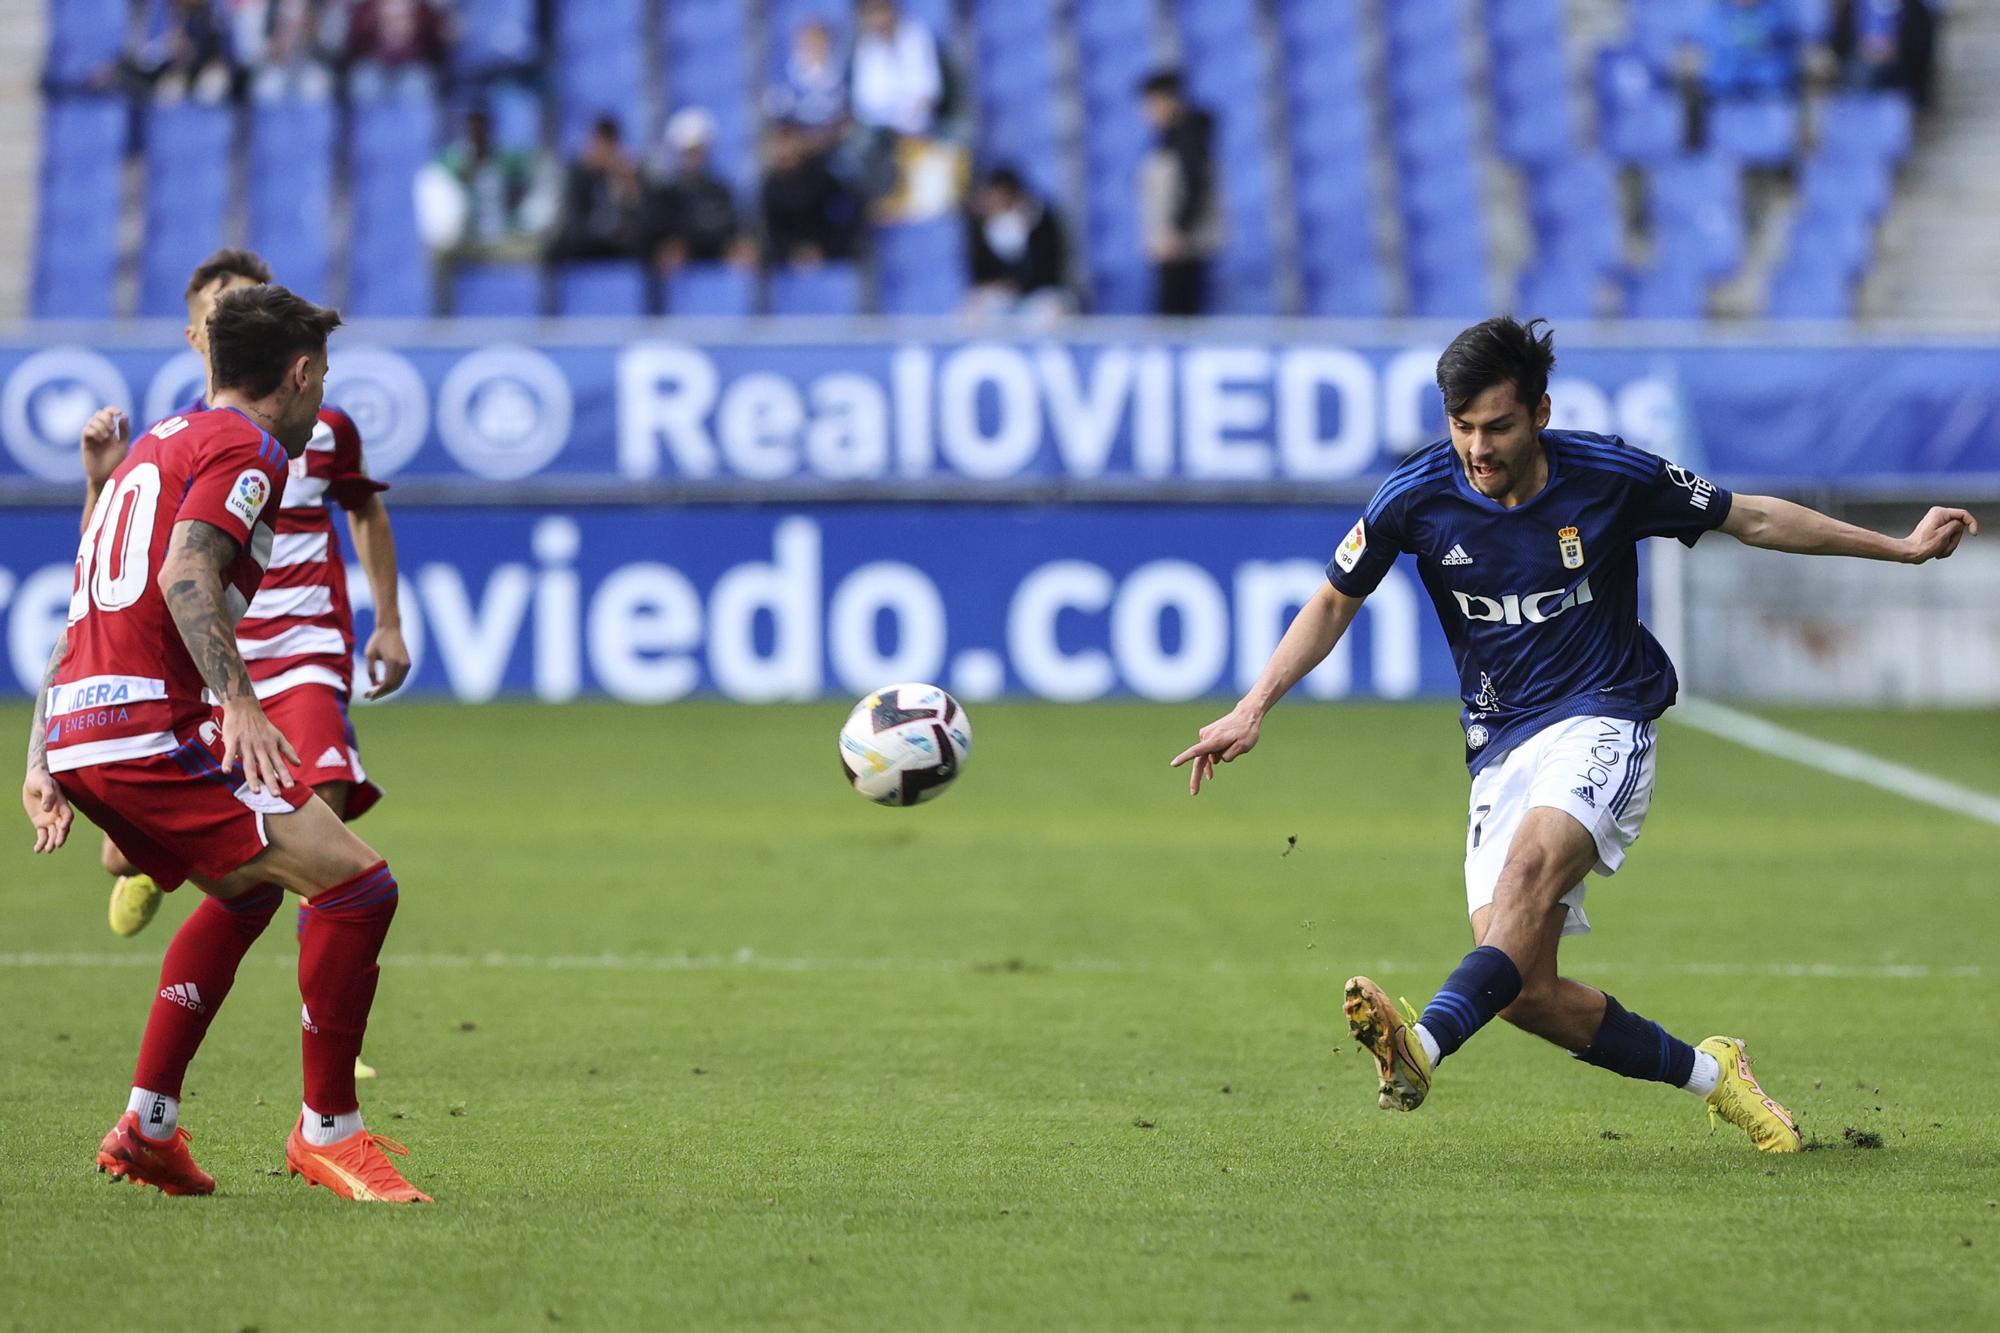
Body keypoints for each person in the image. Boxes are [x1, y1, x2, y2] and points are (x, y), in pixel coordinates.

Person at [1170, 316, 1979, 1152]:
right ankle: (1717, 1076)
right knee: (1521, 986)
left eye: (1497, 426)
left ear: (1540, 413)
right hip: (1498, 743)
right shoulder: (1417, 495)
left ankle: (1422, 1047)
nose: (1477, 448)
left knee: (1524, 878)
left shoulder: (1610, 476)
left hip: (1604, 712)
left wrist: (1900, 549)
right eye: (1462, 427)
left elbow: (1756, 520)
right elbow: (1335, 597)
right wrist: (1254, 703)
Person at [23, 283, 430, 1203]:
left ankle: (148, 1126)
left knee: (246, 894)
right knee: (360, 887)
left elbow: (80, 611)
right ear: (297, 373)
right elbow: (184, 574)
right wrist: (240, 704)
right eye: (320, 376)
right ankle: (329, 1131)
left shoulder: (155, 449)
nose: (321, 397)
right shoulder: (246, 447)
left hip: (88, 727)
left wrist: (42, 758)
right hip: (145, 729)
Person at [80, 250, 409, 1007]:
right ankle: (157, 865)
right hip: (212, 662)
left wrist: (386, 621)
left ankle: (321, 1005)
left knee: (318, 810)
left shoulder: (322, 430)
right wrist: (97, 482)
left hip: (301, 647)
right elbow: (130, 565)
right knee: (149, 857)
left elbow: (364, 511)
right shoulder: (186, 439)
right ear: (198, 337)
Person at [1138, 69, 1220, 317]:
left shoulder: (1188, 140)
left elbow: (1195, 186)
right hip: (1174, 244)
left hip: (1182, 247)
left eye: (1152, 104)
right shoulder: (1172, 138)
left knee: (1177, 318)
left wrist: (1178, 230)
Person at [643, 108, 754, 271]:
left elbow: (731, 228)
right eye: (688, 152)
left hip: (717, 253)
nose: (693, 157)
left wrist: (736, 246)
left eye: (697, 150)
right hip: (684, 259)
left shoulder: (720, 190)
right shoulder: (667, 193)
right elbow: (658, 233)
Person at [963, 166, 1072, 323]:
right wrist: (998, 285)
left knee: (1056, 311)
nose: (995, 201)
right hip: (1001, 297)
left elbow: (1052, 268)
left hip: (1039, 295)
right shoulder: (979, 226)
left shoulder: (1042, 222)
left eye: (1000, 195)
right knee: (972, 311)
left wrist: (1019, 283)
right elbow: (979, 275)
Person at [761, 117, 859, 267]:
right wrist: (794, 252)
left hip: (830, 259)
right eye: (780, 142)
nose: (785, 149)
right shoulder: (770, 187)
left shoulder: (823, 178)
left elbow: (845, 217)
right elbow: (772, 232)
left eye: (789, 141)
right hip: (786, 265)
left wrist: (823, 250)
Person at [546, 115, 645, 263]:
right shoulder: (580, 173)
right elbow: (574, 214)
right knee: (557, 246)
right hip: (589, 237)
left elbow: (638, 211)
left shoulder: (628, 172)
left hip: (619, 239)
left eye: (606, 144)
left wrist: (624, 180)